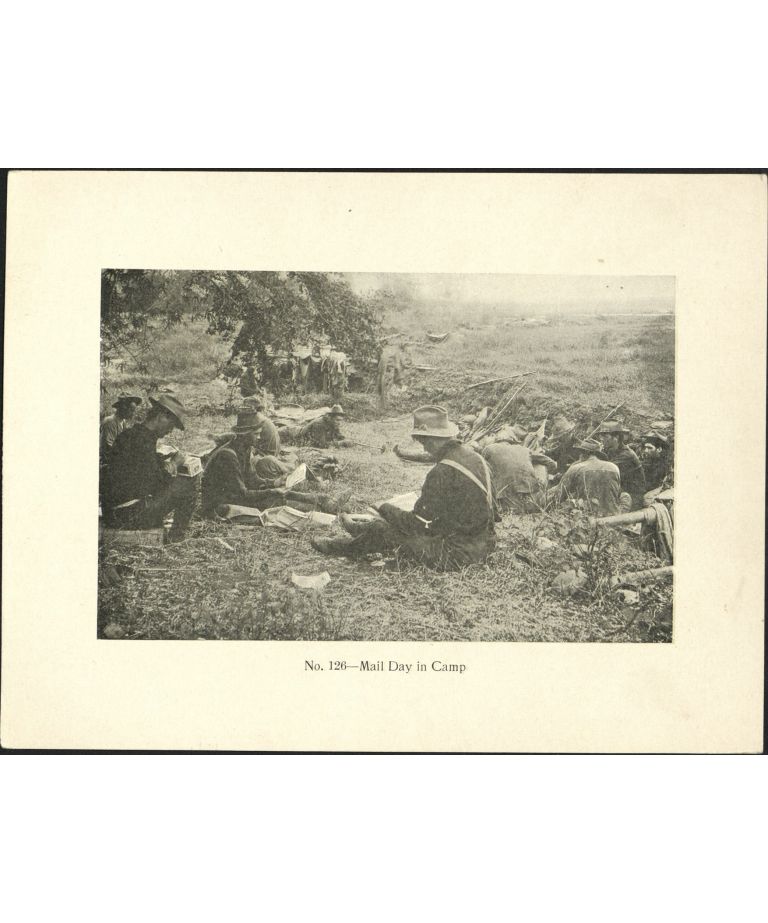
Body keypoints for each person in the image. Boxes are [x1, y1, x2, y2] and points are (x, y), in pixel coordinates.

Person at [311, 405, 498, 570]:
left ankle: (343, 546)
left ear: (432, 439)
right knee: (388, 526)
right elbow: (491, 514)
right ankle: (359, 530)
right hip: (485, 546)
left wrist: (385, 508)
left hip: (456, 554)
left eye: (424, 443)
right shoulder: (478, 459)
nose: (425, 449)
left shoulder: (442, 471)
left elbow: (415, 525)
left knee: (385, 530)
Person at [201, 409, 341, 517]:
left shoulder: (244, 449)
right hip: (221, 504)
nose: (259, 437)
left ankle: (324, 499)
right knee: (278, 501)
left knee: (282, 493)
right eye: (256, 434)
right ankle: (325, 508)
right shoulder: (228, 455)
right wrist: (272, 491)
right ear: (244, 434)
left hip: (237, 497)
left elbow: (253, 479)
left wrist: (274, 483)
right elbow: (242, 493)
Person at [101, 393, 197, 540]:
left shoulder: (134, 434)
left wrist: (161, 462)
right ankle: (176, 539)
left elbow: (138, 472)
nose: (170, 431)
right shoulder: (142, 440)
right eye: (171, 425)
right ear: (161, 417)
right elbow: (153, 485)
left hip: (114, 512)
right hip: (125, 516)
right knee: (186, 487)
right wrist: (173, 464)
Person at [482, 435, 557, 513]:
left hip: (505, 502)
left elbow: (481, 468)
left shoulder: (489, 449)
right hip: (532, 501)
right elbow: (552, 464)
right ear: (512, 442)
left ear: (496, 442)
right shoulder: (524, 449)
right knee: (540, 465)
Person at [552, 437, 624, 517]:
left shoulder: (575, 468)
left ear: (583, 453)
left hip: (586, 516)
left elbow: (558, 496)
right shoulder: (614, 467)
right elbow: (617, 494)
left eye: (580, 452)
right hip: (612, 516)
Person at [598, 422, 646, 510]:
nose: (602, 439)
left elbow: (603, 470)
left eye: (605, 436)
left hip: (632, 497)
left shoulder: (626, 454)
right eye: (601, 436)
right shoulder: (610, 450)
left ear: (616, 437)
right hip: (620, 492)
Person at [279, 404, 352, 449]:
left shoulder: (333, 424)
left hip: (294, 431)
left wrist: (346, 440)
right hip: (288, 434)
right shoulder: (319, 424)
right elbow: (321, 444)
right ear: (331, 418)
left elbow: (339, 436)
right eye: (337, 420)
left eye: (340, 420)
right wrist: (341, 443)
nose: (339, 423)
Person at [100, 394, 141, 463]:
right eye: (131, 410)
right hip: (107, 461)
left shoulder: (123, 421)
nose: (133, 413)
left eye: (133, 411)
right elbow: (108, 447)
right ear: (123, 408)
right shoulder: (110, 422)